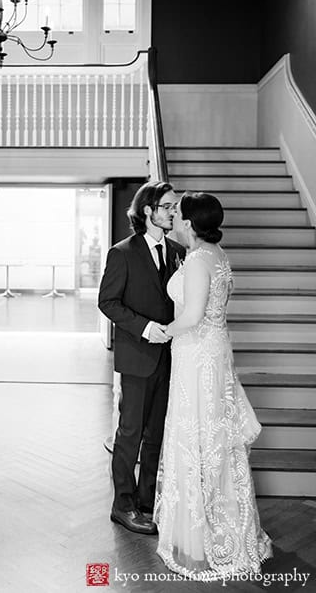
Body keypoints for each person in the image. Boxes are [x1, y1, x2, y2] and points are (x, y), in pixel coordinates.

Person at [154, 191, 272, 579]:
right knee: (215, 439)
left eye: (179, 213)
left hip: (198, 356)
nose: (174, 217)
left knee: (199, 438)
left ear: (189, 223)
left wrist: (163, 332)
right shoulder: (218, 256)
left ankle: (199, 543)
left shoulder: (198, 259)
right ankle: (220, 528)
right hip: (213, 350)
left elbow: (192, 315)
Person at [98, 181, 185, 535]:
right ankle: (123, 505)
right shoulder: (122, 252)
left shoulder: (179, 250)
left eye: (174, 208)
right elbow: (107, 302)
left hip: (172, 358)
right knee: (130, 433)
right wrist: (146, 328)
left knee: (157, 435)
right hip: (137, 356)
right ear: (148, 210)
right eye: (167, 207)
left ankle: (148, 502)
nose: (173, 213)